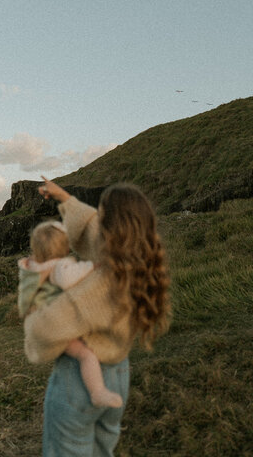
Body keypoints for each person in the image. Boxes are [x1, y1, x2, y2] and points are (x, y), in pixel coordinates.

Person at [23, 176, 171, 457]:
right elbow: (90, 224)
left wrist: (32, 311)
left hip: (79, 382)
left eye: (102, 216)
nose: (96, 221)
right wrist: (63, 197)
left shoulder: (102, 287)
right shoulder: (140, 267)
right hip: (117, 376)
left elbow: (46, 328)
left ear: (111, 230)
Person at [18, 220, 123, 409]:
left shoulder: (30, 268)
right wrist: (92, 266)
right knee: (86, 355)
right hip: (52, 322)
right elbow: (67, 278)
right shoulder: (57, 266)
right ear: (65, 249)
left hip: (34, 326)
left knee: (77, 347)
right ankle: (97, 392)